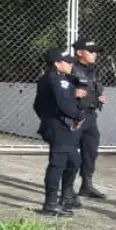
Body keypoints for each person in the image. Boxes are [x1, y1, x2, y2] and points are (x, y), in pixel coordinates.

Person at [33, 47, 86, 217]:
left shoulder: (56, 79)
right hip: (59, 127)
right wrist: (78, 116)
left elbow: (37, 105)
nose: (71, 64)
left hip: (60, 126)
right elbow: (64, 104)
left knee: (74, 161)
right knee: (58, 164)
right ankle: (50, 204)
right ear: (56, 63)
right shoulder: (56, 79)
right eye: (67, 62)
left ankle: (67, 196)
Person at [70, 39, 107, 199]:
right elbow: (59, 90)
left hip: (91, 115)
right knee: (70, 153)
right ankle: (67, 188)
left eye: (95, 51)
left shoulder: (93, 70)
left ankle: (87, 185)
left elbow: (94, 88)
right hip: (74, 115)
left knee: (90, 151)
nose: (94, 54)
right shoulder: (69, 68)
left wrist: (100, 97)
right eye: (91, 51)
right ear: (79, 52)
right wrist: (73, 93)